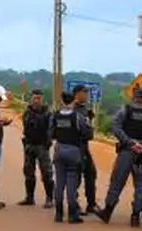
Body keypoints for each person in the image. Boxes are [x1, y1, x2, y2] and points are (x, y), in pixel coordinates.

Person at [96, 85, 142, 227]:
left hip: (126, 152)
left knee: (117, 182)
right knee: (141, 185)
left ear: (133, 97)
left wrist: (130, 142)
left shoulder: (125, 111)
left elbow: (116, 128)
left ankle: (107, 212)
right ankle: (135, 216)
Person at [49, 90, 93, 223]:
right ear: (73, 101)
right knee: (72, 183)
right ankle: (73, 214)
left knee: (60, 183)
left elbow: (51, 133)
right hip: (74, 150)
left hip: (59, 149)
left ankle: (58, 213)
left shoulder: (55, 116)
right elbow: (88, 134)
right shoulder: (78, 117)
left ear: (62, 101)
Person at [20, 89, 56, 208]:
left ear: (42, 99)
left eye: (38, 98)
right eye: (34, 98)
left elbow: (51, 129)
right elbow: (25, 127)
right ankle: (29, 198)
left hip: (42, 145)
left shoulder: (47, 113)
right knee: (28, 172)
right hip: (29, 145)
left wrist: (48, 142)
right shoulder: (27, 112)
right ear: (31, 98)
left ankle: (49, 198)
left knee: (46, 173)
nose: (36, 100)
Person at [72, 85, 99, 214]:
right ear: (77, 94)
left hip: (84, 147)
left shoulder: (85, 110)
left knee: (91, 174)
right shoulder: (73, 110)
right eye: (85, 92)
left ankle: (91, 204)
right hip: (76, 147)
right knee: (75, 177)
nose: (87, 95)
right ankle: (74, 205)